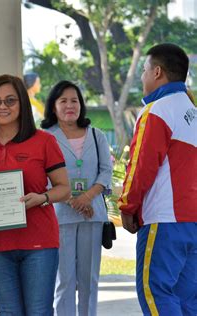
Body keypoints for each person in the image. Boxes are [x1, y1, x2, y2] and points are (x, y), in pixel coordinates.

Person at [0, 74, 70, 315]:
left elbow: (64, 188)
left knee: (39, 312)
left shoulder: (44, 141)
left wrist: (42, 198)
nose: (2, 107)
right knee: (9, 312)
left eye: (10, 100)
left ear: (22, 102)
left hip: (39, 243)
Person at [118, 43, 197, 315]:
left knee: (155, 292)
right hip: (193, 222)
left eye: (144, 70)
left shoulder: (157, 110)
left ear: (158, 72)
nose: (142, 77)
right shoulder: (194, 112)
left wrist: (127, 206)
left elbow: (141, 165)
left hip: (165, 220)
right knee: (188, 300)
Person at [41, 80, 112, 316]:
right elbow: (43, 176)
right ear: (53, 107)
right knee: (64, 279)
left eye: (74, 101)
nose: (70, 105)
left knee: (89, 279)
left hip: (93, 214)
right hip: (60, 215)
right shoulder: (45, 137)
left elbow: (105, 171)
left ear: (81, 105)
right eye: (63, 101)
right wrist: (73, 200)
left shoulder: (96, 135)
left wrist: (88, 197)